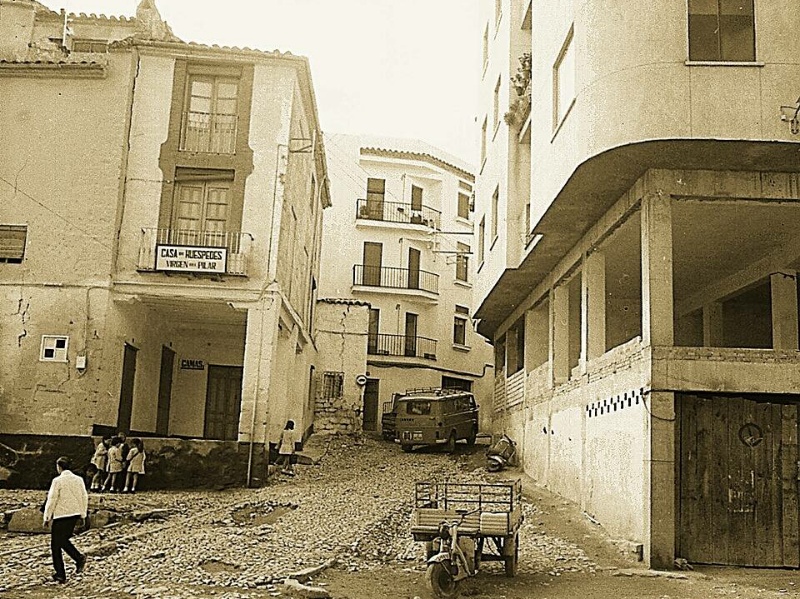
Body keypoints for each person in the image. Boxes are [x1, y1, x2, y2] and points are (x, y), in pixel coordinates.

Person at [43, 456, 88, 584]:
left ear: (59, 467)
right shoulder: (78, 480)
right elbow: (83, 496)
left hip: (61, 515)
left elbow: (52, 499)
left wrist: (47, 517)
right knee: (61, 541)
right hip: (74, 514)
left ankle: (62, 572)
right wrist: (83, 514)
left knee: (56, 544)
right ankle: (76, 559)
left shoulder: (58, 481)